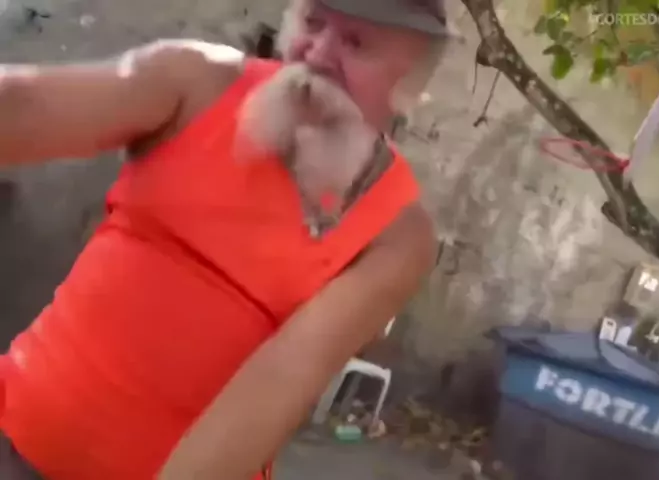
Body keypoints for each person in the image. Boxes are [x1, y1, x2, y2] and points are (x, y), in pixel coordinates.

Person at [0, 0, 448, 478]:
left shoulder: (397, 235)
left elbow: (281, 380)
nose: (317, 53)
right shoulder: (196, 81)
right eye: (313, 23)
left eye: (356, 43)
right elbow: (25, 105)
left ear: (409, 80)